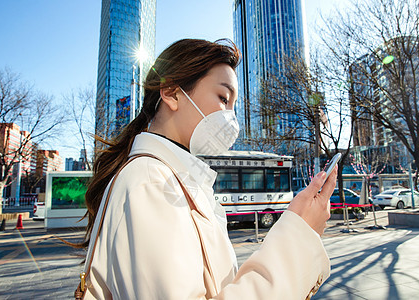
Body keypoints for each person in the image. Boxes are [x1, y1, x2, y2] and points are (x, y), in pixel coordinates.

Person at [79, 39, 337, 299]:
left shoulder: (173, 179)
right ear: (171, 92)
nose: (231, 117)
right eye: (223, 98)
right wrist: (298, 234)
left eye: (234, 105)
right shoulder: (151, 182)